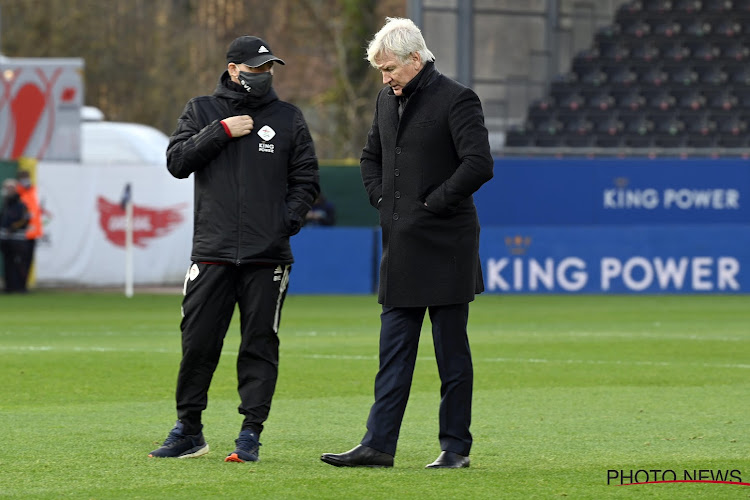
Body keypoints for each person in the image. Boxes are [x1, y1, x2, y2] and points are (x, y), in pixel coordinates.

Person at [320, 17, 493, 469]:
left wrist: (433, 204)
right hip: (401, 243)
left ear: (416, 59)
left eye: (391, 67)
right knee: (393, 350)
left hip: (447, 243)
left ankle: (455, 448)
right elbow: (370, 156)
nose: (385, 77)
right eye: (381, 70)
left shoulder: (458, 99)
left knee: (451, 352)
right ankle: (378, 445)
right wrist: (380, 198)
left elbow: (479, 164)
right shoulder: (384, 99)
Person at [150, 35, 319, 462]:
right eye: (256, 68)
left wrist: (286, 222)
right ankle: (189, 429)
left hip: (268, 256)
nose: (264, 75)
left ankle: (250, 433)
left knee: (259, 344)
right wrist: (220, 132)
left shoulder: (288, 118)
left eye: (269, 68)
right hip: (212, 251)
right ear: (233, 70)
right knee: (198, 343)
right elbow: (177, 162)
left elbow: (306, 180)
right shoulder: (201, 111)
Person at [0, 178, 30, 293]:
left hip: (18, 240)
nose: (8, 190)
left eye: (11, 188)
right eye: (7, 188)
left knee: (20, 263)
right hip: (6, 240)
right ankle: (10, 287)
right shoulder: (6, 205)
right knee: (8, 264)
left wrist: (12, 228)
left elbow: (25, 219)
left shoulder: (21, 205)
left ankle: (21, 287)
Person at [14, 170, 43, 290]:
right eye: (23, 178)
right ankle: (18, 285)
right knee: (20, 261)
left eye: (27, 177)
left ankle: (24, 285)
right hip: (22, 234)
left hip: (33, 233)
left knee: (28, 261)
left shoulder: (33, 191)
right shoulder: (18, 194)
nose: (26, 180)